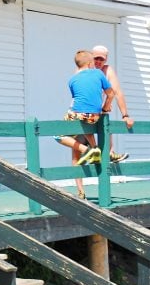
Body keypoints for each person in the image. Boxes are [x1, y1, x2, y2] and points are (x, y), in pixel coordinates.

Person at [56, 49, 114, 197]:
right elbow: (111, 93)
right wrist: (106, 107)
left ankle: (88, 151)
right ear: (90, 63)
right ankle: (94, 148)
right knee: (86, 125)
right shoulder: (99, 74)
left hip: (78, 114)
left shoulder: (72, 80)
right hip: (94, 116)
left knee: (57, 135)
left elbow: (77, 99)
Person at [92, 44, 133, 162]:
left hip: (98, 111)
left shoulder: (107, 70)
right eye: (96, 58)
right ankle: (92, 151)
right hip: (83, 110)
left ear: (106, 59)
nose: (98, 62)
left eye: (102, 59)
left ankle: (109, 153)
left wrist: (125, 115)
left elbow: (117, 92)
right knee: (78, 155)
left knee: (105, 121)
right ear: (91, 58)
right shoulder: (87, 69)